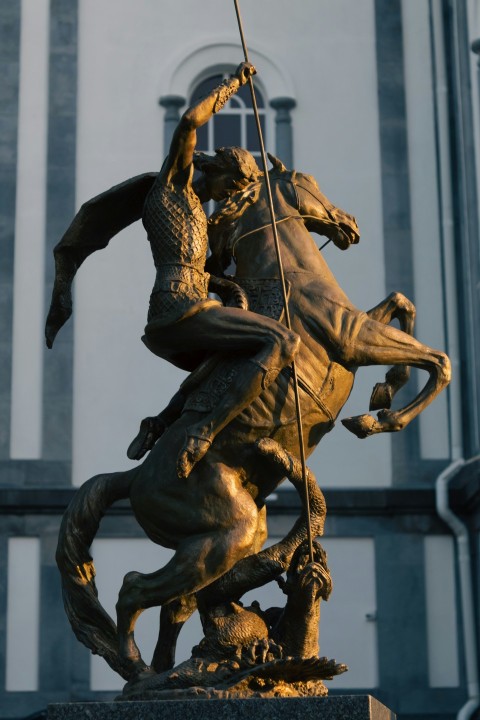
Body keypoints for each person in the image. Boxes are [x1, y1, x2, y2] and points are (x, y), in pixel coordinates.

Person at [135, 62, 300, 478]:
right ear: (217, 169)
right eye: (232, 184)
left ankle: (160, 423)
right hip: (177, 307)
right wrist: (235, 85)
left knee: (229, 358)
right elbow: (191, 121)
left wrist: (228, 283)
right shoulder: (172, 187)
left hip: (190, 307)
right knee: (282, 341)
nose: (230, 194)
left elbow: (206, 269)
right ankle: (204, 432)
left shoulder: (198, 219)